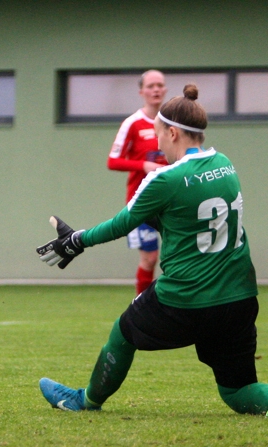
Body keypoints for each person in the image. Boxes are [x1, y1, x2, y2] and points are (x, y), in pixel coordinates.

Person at [35, 85, 268, 419]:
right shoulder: (226, 165)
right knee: (236, 390)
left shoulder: (165, 179)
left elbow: (123, 223)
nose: (158, 143)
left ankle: (86, 400)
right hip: (239, 299)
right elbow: (186, 221)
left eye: (159, 135)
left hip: (185, 299)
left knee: (123, 332)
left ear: (173, 132)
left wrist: (77, 241)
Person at [107, 70, 169, 295]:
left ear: (165, 90)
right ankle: (140, 306)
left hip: (171, 201)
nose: (156, 89)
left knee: (175, 258)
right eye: (151, 86)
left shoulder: (171, 122)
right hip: (142, 201)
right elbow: (112, 161)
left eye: (160, 85)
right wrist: (143, 166)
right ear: (141, 91)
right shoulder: (132, 123)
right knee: (150, 258)